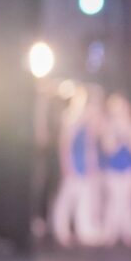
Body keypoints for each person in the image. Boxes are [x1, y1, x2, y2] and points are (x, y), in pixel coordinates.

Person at [51, 86, 101, 247]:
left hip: (84, 163)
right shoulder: (70, 119)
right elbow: (64, 145)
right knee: (67, 197)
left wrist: (92, 164)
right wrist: (67, 165)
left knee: (85, 198)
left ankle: (84, 230)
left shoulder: (89, 121)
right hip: (73, 161)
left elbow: (90, 145)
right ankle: (60, 229)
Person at [99, 93, 131, 247]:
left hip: (130, 168)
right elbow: (108, 148)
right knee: (114, 201)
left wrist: (129, 132)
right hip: (113, 168)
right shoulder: (108, 126)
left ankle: (128, 232)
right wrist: (118, 135)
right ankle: (110, 232)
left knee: (127, 201)